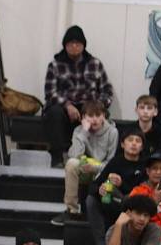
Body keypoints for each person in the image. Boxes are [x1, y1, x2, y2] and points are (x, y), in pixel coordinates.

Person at [42, 25, 114, 166]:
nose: (74, 46)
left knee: (98, 115)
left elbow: (107, 90)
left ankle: (96, 159)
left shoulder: (95, 63)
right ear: (65, 45)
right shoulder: (55, 65)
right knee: (54, 112)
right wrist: (67, 105)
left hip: (88, 105)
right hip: (64, 106)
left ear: (83, 45)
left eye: (78, 43)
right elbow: (50, 92)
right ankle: (57, 157)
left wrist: (97, 106)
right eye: (71, 43)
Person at [53, 99, 117, 226]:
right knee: (71, 163)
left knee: (110, 175)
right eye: (90, 116)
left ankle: (104, 214)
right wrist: (84, 132)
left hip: (102, 170)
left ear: (104, 116)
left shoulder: (112, 132)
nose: (94, 120)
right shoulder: (78, 131)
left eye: (98, 116)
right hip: (85, 168)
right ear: (83, 118)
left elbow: (111, 162)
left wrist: (96, 168)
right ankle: (72, 210)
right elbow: (74, 155)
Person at [85, 128, 147, 245]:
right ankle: (101, 243)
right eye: (130, 140)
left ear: (142, 147)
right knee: (91, 200)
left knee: (121, 195)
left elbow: (142, 193)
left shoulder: (144, 165)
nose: (134, 144)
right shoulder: (116, 161)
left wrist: (121, 184)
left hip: (131, 206)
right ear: (123, 144)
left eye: (138, 141)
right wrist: (100, 189)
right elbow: (94, 186)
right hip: (111, 205)